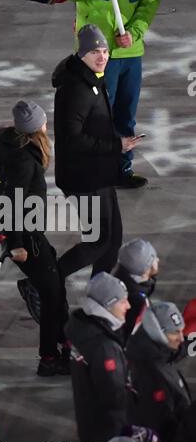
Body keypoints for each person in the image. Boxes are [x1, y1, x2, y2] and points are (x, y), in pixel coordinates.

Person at [0, 100, 70, 377]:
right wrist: (16, 244)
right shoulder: (22, 160)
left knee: (54, 274)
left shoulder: (8, 149)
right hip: (25, 236)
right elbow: (15, 202)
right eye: (44, 120)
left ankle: (62, 337)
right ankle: (49, 358)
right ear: (36, 128)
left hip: (19, 231)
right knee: (53, 297)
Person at [53, 24, 141, 279]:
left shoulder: (92, 79)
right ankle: (44, 282)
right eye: (95, 52)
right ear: (82, 55)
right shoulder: (76, 89)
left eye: (104, 51)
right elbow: (72, 139)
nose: (102, 56)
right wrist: (117, 146)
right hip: (83, 179)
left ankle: (99, 290)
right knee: (99, 241)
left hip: (98, 173)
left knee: (112, 242)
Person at [61, 0, 161, 188]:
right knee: (97, 117)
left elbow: (151, 0)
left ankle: (121, 170)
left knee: (125, 115)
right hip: (95, 51)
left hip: (131, 52)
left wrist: (134, 32)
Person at [65, 272, 134, 442]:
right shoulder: (104, 347)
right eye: (122, 301)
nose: (128, 306)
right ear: (108, 304)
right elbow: (115, 397)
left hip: (90, 423)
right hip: (111, 431)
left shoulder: (82, 329)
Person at [127, 301, 191, 441]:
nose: (180, 338)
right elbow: (165, 428)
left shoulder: (152, 347)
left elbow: (174, 352)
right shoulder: (151, 374)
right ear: (157, 331)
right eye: (175, 332)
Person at [113, 238, 159, 339]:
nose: (158, 260)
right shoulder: (137, 302)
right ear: (146, 268)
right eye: (154, 258)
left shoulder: (117, 281)